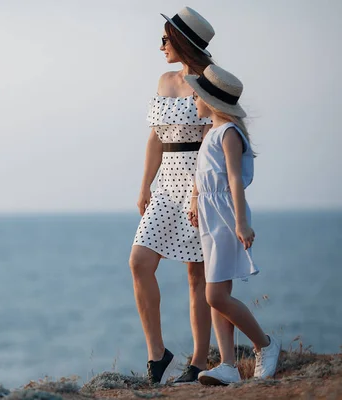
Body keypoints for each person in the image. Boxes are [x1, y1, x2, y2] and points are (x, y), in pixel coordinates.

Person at [130, 6, 215, 384]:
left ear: (182, 42)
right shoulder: (164, 81)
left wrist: (199, 191)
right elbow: (154, 137)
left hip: (200, 185)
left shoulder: (211, 82)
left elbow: (214, 142)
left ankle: (198, 362)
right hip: (165, 184)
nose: (161, 45)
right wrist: (144, 185)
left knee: (196, 277)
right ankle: (157, 354)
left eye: (165, 38)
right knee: (139, 261)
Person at [185, 64, 282, 385]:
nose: (193, 100)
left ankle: (264, 345)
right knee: (217, 286)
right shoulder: (211, 132)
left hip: (226, 217)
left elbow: (235, 180)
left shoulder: (228, 133)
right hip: (211, 218)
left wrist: (241, 223)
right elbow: (203, 176)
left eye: (196, 96)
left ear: (211, 101)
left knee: (214, 295)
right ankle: (227, 364)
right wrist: (196, 198)